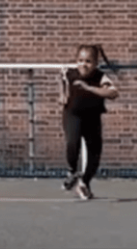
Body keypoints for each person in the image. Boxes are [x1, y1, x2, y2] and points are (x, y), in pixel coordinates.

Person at [59, 44, 119, 200]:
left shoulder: (100, 77)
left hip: (92, 118)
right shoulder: (70, 73)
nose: (83, 65)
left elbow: (113, 93)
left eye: (88, 61)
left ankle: (84, 183)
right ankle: (72, 171)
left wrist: (89, 88)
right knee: (73, 142)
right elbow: (63, 81)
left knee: (94, 154)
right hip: (73, 115)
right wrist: (63, 95)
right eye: (80, 60)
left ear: (95, 63)